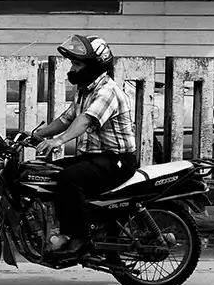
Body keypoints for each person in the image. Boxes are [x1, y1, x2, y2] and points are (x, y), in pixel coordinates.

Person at [29, 34, 138, 257]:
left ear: (94, 66)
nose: (72, 69)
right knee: (52, 172)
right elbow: (65, 119)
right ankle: (66, 230)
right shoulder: (85, 90)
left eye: (77, 64)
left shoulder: (107, 91)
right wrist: (35, 135)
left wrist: (59, 141)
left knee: (70, 178)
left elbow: (85, 120)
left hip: (116, 160)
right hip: (96, 157)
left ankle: (78, 237)